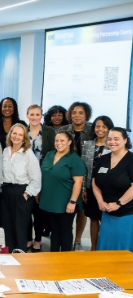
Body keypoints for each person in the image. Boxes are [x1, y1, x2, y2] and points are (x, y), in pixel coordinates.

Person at [39, 131, 85, 252]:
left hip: (66, 201)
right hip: (49, 200)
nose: (58, 143)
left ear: (69, 142)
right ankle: (53, 255)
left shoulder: (75, 160)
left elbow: (78, 182)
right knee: (54, 229)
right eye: (56, 141)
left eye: (62, 141)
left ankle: (65, 258)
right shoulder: (49, 155)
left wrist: (73, 201)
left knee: (65, 229)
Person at [0, 123, 41, 252]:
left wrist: (27, 194)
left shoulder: (28, 154)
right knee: (6, 224)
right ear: (10, 134)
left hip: (21, 191)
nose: (16, 136)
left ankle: (20, 252)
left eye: (20, 134)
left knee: (20, 226)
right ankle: (8, 251)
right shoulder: (5, 151)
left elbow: (36, 178)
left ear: (24, 138)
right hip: (6, 192)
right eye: (14, 133)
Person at [92, 128, 133, 251]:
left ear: (125, 140)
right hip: (107, 212)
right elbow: (94, 181)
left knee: (122, 250)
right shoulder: (103, 159)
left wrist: (118, 204)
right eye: (109, 139)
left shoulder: (131, 160)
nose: (112, 142)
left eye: (116, 139)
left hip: (127, 213)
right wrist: (100, 201)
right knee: (106, 247)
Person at [59, 102, 93, 250]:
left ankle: (77, 240)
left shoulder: (92, 129)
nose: (77, 115)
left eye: (81, 112)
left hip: (85, 174)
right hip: (66, 173)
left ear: (86, 114)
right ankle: (66, 235)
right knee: (65, 205)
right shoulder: (63, 129)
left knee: (81, 209)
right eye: (74, 112)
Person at [26, 104, 56, 252]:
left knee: (39, 213)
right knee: (25, 211)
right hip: (24, 177)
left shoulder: (49, 132)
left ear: (41, 116)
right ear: (27, 116)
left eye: (37, 114)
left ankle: (38, 240)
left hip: (42, 176)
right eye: (32, 114)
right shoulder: (22, 131)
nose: (34, 117)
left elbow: (53, 154)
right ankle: (28, 239)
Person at [82, 116, 114, 250]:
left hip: (108, 190)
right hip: (90, 187)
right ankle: (93, 248)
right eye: (97, 126)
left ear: (109, 129)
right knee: (93, 219)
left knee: (107, 220)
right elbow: (83, 167)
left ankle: (105, 248)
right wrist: (84, 187)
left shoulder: (113, 145)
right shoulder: (88, 144)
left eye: (104, 126)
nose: (100, 129)